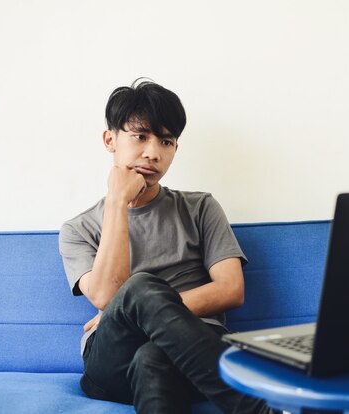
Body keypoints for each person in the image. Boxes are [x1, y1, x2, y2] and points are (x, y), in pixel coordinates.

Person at [59, 79, 272, 413]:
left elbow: (231, 289)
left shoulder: (200, 207)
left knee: (152, 354)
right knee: (140, 288)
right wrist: (117, 201)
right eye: (140, 136)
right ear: (110, 140)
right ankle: (258, 409)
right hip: (112, 361)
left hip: (192, 355)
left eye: (166, 141)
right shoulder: (77, 229)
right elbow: (104, 297)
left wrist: (145, 311)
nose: (153, 152)